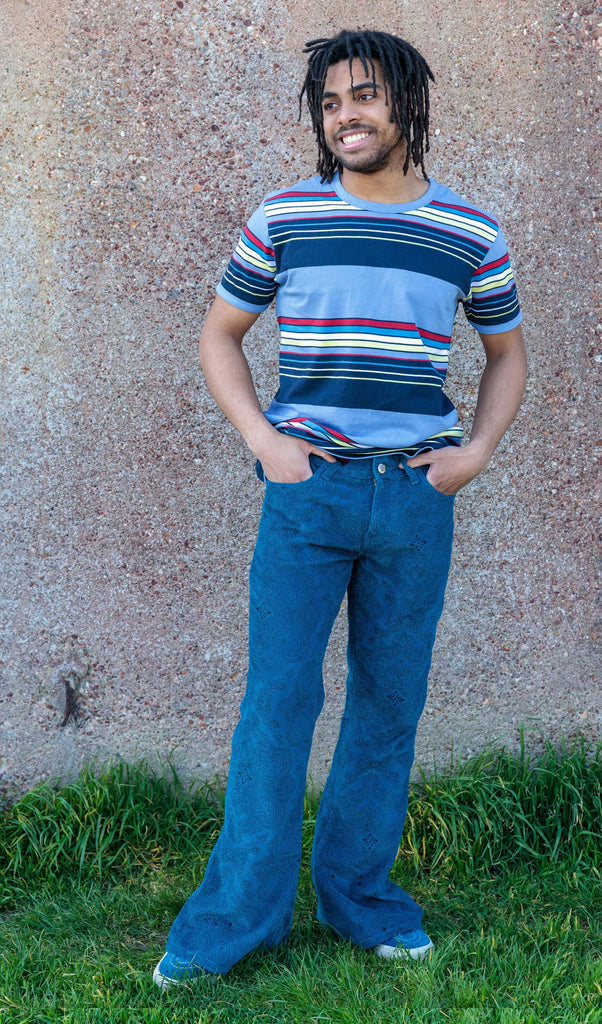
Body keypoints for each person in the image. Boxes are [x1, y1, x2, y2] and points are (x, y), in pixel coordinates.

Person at [153, 28, 526, 987]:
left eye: (362, 97)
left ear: (406, 102)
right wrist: (266, 444)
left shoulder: (470, 233)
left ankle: (362, 903)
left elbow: (506, 354)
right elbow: (220, 336)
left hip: (414, 498)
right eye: (329, 103)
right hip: (307, 496)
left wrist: (474, 454)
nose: (344, 116)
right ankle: (232, 923)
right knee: (277, 705)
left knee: (388, 708)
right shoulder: (286, 216)